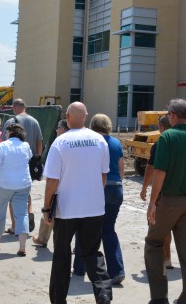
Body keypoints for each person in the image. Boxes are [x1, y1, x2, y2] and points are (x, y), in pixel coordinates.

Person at [43, 101, 112, 304]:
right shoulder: (100, 140)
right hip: (94, 207)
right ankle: (103, 293)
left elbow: (52, 181)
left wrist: (47, 207)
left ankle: (58, 299)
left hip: (67, 208)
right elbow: (103, 177)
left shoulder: (61, 142)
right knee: (92, 252)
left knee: (62, 255)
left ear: (67, 116)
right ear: (86, 116)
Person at [145, 98, 186, 304]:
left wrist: (152, 202)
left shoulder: (167, 137)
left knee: (153, 243)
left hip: (169, 201)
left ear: (172, 115)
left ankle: (159, 297)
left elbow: (160, 172)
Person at [73, 113, 126, 284]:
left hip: (96, 188)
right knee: (108, 230)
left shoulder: (91, 142)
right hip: (115, 188)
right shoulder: (116, 143)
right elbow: (121, 169)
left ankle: (80, 268)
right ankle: (117, 270)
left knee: (84, 228)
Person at [0, 122, 32, 256]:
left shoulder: (2, 146)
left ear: (10, 133)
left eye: (6, 132)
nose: (4, 134)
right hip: (23, 183)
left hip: (3, 183)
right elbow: (30, 157)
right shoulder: (26, 145)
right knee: (22, 214)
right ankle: (22, 247)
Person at [1, 98, 44, 233]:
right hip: (30, 161)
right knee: (25, 191)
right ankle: (29, 212)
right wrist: (37, 157)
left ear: (14, 108)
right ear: (25, 107)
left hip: (12, 162)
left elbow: (3, 142)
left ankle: (14, 226)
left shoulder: (10, 122)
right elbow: (39, 143)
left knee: (12, 194)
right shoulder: (35, 121)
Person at [140, 114, 175, 269]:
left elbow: (151, 168)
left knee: (160, 228)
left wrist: (144, 188)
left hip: (163, 193)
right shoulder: (182, 141)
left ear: (161, 127)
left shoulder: (160, 143)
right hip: (183, 193)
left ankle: (165, 259)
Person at [33, 119, 69, 248]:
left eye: (58, 127)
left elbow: (52, 177)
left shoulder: (59, 144)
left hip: (59, 187)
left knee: (49, 210)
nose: (56, 130)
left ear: (64, 129)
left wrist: (46, 205)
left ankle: (42, 239)